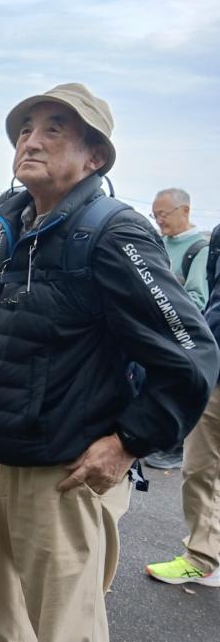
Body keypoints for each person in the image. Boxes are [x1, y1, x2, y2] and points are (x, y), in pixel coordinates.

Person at [0, 83, 219, 642]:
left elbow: (191, 353)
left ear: (93, 156)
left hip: (61, 475)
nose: (32, 139)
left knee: (65, 629)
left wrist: (128, 442)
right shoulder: (9, 224)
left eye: (54, 128)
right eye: (25, 128)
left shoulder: (113, 231)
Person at [145, 224, 220, 587]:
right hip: (216, 369)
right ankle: (204, 557)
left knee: (203, 467)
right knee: (201, 467)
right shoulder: (217, 237)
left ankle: (205, 557)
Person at [143, 188, 210, 469]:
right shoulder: (158, 242)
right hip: (154, 331)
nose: (159, 220)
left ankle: (174, 448)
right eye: (155, 214)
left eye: (163, 214)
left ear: (185, 211)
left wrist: (160, 299)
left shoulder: (200, 249)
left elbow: (197, 298)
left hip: (178, 335)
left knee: (177, 387)